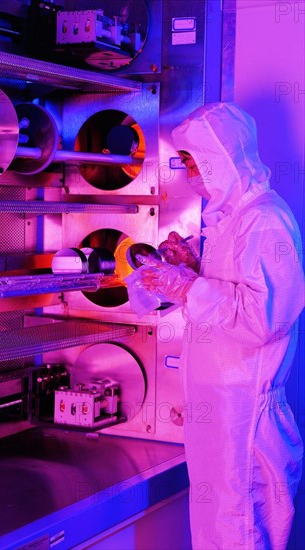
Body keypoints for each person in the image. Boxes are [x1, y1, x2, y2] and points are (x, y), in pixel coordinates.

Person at [137, 102, 305, 549]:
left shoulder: (264, 220)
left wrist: (188, 288)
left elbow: (262, 321)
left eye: (195, 163)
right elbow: (238, 293)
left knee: (240, 534)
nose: (190, 173)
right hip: (223, 421)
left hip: (246, 424)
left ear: (223, 158)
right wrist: (193, 268)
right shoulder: (234, 220)